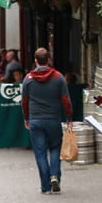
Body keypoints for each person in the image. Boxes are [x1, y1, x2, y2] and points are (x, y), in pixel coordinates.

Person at [21, 48, 73, 194]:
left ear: (36, 61)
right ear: (48, 60)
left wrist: (26, 118)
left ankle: (45, 186)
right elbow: (65, 100)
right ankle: (55, 175)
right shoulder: (58, 77)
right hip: (53, 119)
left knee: (40, 152)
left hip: (35, 120)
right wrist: (69, 118)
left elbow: (24, 101)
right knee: (55, 148)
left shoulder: (28, 79)